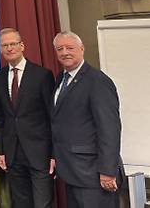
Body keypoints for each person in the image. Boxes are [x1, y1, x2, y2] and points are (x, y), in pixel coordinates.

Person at [52, 31, 123, 208]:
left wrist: (107, 171)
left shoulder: (97, 81)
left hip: (93, 173)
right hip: (72, 171)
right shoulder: (61, 78)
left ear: (82, 49)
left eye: (70, 47)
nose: (64, 52)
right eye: (60, 49)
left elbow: (109, 128)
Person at [0, 28, 55, 208]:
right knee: (20, 203)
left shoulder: (42, 75)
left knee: (43, 204)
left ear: (22, 46)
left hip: (40, 153)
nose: (9, 48)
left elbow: (52, 117)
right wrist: (1, 151)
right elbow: (0, 118)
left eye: (13, 44)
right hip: (13, 153)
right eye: (5, 45)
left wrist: (53, 154)